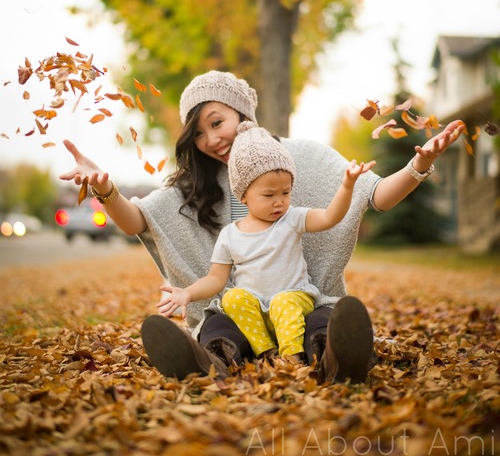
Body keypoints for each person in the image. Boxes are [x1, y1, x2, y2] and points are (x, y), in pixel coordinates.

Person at [60, 70, 465, 384]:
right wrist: (105, 190)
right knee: (217, 326)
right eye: (198, 133)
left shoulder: (299, 157)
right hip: (240, 307)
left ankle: (338, 361)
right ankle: (208, 362)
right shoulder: (195, 182)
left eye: (217, 122)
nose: (210, 139)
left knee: (323, 323)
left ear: (243, 113)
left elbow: (374, 195)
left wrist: (419, 166)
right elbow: (139, 221)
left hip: (300, 301)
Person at [156, 121, 376, 365]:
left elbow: (330, 217)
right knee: (232, 298)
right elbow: (215, 279)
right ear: (243, 195)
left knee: (284, 302)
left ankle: (293, 359)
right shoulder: (230, 235)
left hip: (294, 299)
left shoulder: (292, 219)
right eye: (269, 195)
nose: (279, 202)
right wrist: (187, 293)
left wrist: (346, 186)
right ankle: (265, 352)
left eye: (286, 192)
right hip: (255, 313)